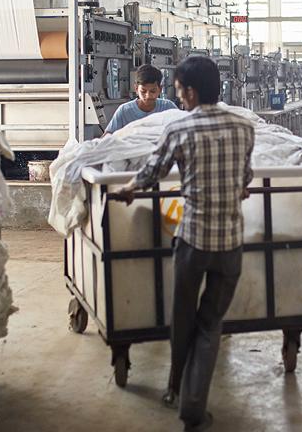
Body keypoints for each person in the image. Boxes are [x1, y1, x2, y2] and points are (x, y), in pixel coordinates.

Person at [118, 56, 254, 432]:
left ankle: (175, 386)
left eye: (178, 91)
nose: (177, 98)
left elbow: (152, 172)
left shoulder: (179, 128)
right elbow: (245, 179)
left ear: (191, 92)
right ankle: (193, 408)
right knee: (210, 325)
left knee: (182, 318)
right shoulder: (243, 127)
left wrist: (129, 188)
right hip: (230, 245)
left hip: (193, 242)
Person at [104, 64, 178, 134]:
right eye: (143, 91)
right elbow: (108, 134)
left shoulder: (168, 108)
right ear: (136, 89)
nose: (148, 96)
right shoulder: (124, 111)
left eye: (152, 91)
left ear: (160, 89)